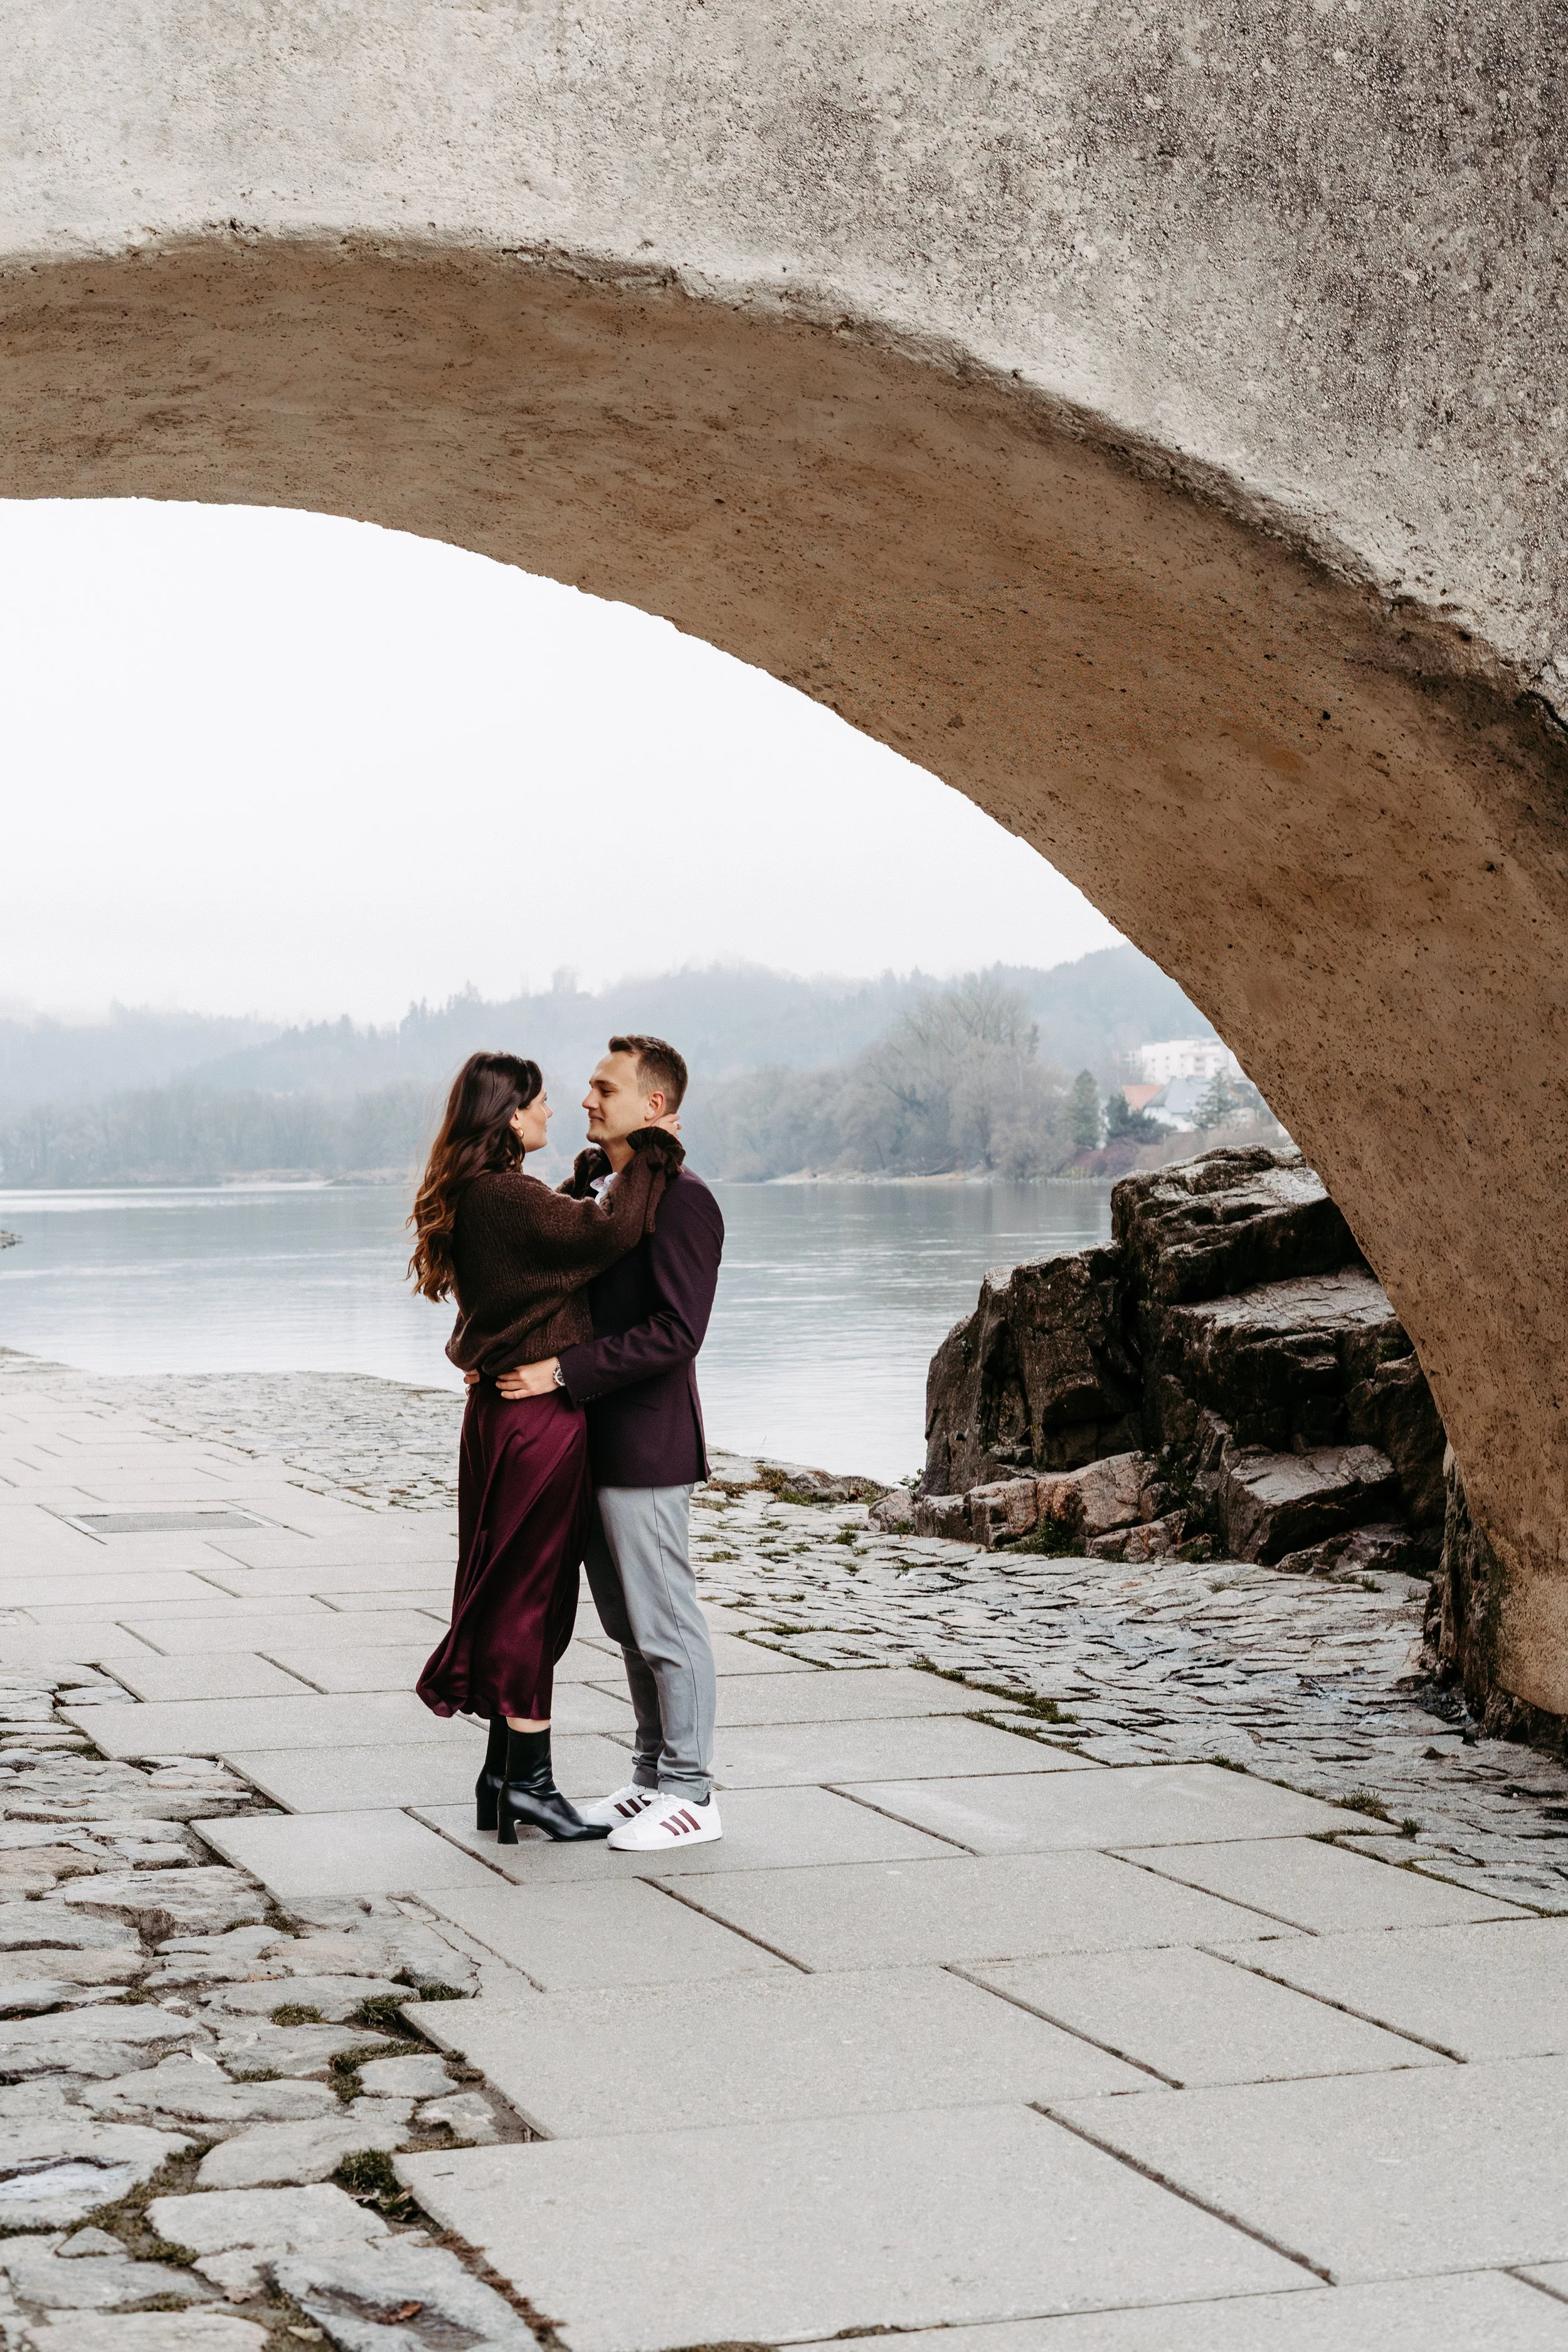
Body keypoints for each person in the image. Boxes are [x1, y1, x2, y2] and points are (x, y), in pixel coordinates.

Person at [408, 1049, 683, 1845]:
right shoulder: (506, 1196)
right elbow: (608, 1232)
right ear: (507, 1115)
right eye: (537, 1102)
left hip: (500, 1421)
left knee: (509, 1589)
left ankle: (501, 1776)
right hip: (538, 1425)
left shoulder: (485, 1194)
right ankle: (530, 1783)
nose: (552, 1111)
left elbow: (538, 1261)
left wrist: (591, 1172)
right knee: (532, 1597)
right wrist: (654, 1151)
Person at [485, 1034, 726, 1851]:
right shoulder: (606, 1194)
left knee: (666, 1624)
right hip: (590, 1441)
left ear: (653, 1105)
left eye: (604, 1087)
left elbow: (678, 1331)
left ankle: (692, 1793)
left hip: (647, 1448)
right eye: (588, 1087)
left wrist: (561, 1371)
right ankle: (651, 1776)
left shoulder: (684, 1200)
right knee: (628, 1626)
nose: (587, 1099)